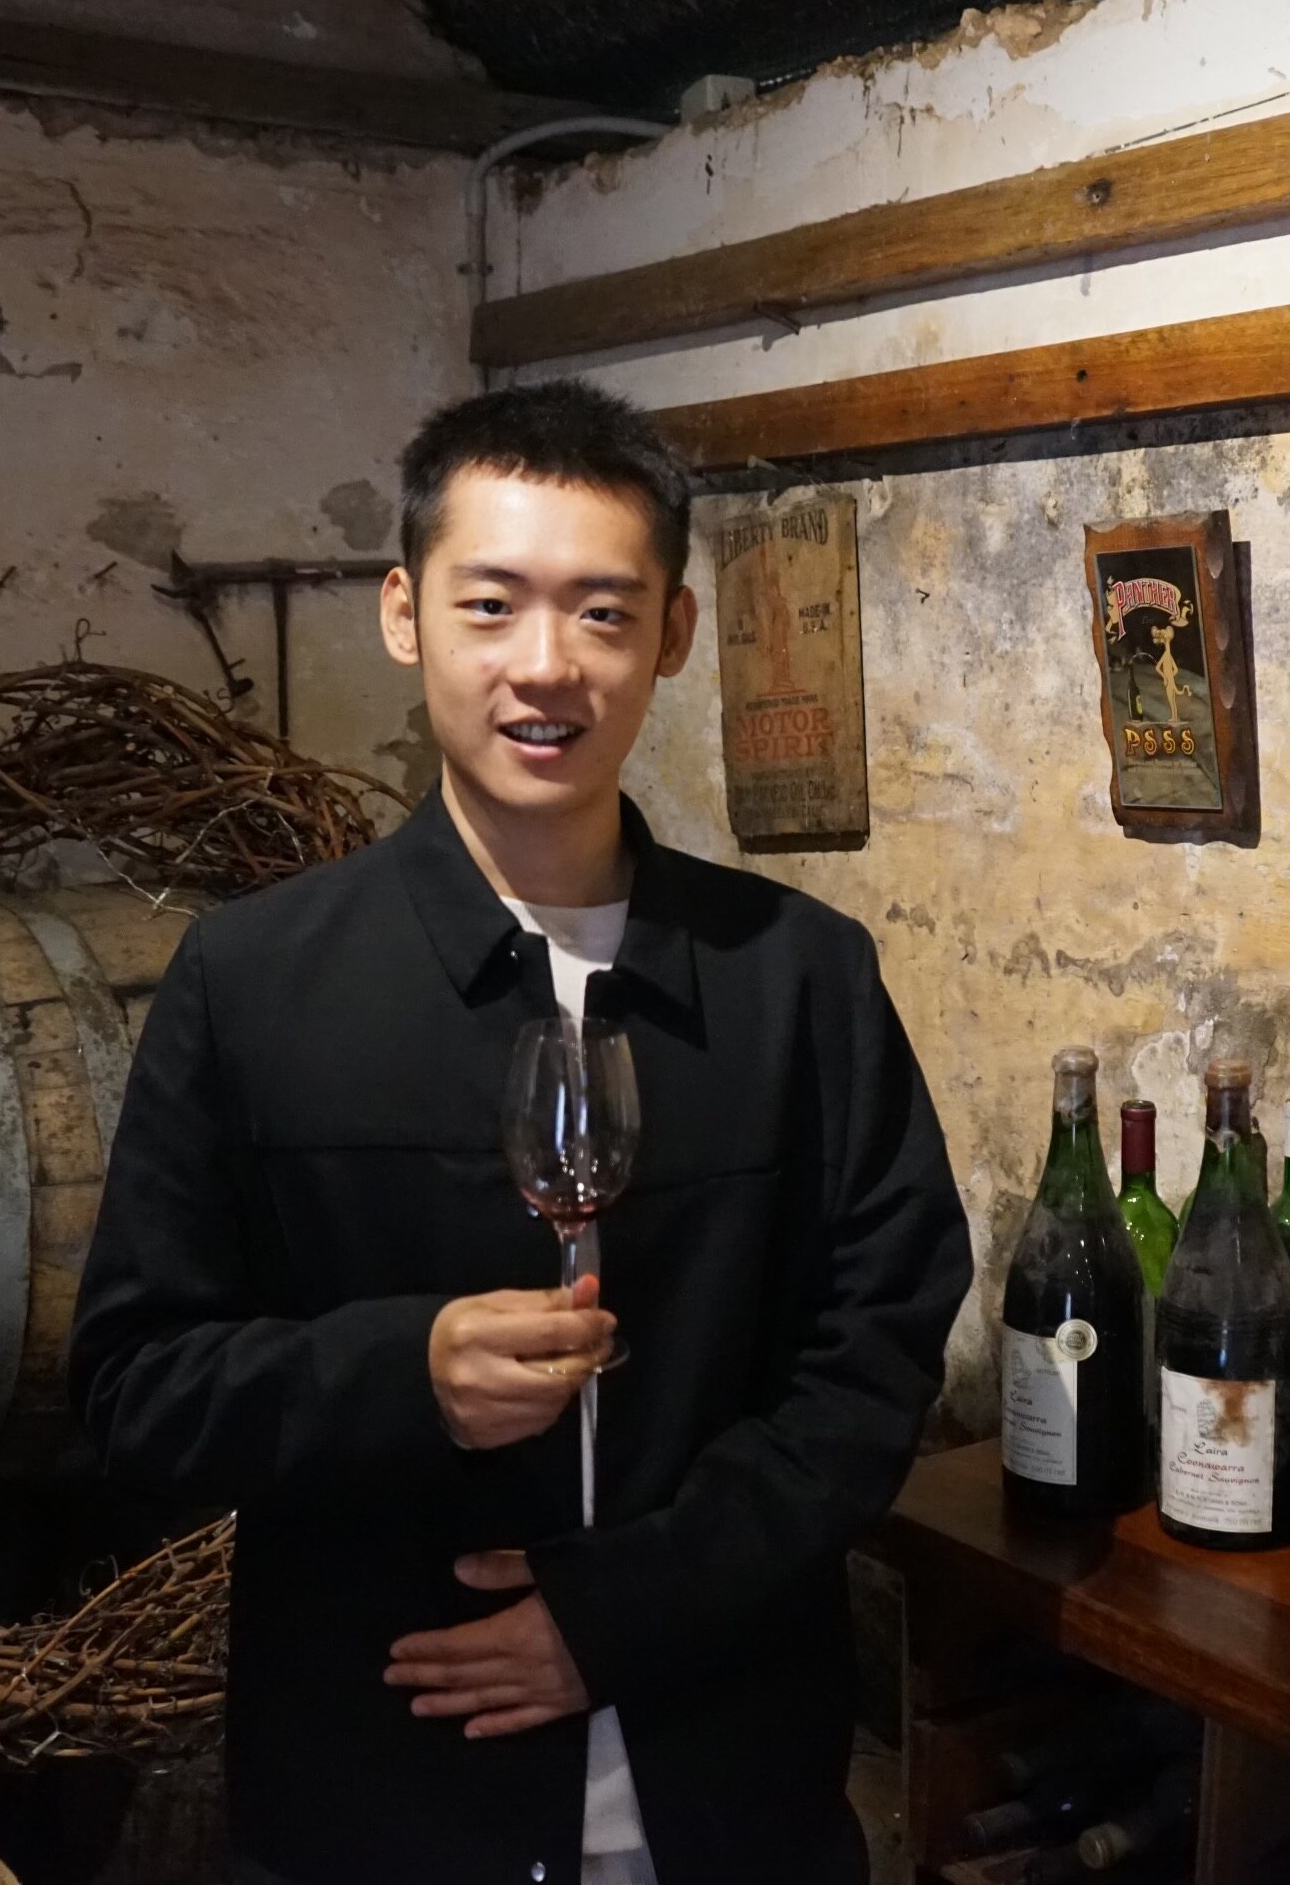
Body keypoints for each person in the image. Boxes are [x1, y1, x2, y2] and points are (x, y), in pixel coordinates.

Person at [68, 380, 972, 1885]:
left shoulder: (798, 978)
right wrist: (395, 1369)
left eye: (602, 615)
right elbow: (137, 1385)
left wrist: (619, 1614)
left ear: (672, 636)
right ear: (405, 614)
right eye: (492, 606)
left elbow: (873, 1365)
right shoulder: (255, 983)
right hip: (382, 1796)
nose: (545, 668)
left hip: (730, 1791)